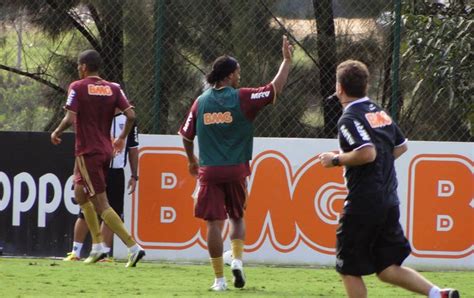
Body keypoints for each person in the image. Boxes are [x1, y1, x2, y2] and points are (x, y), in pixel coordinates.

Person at [319, 60, 459, 298]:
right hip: (388, 200)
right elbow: (401, 146)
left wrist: (335, 160)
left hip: (363, 202)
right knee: (387, 268)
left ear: (340, 88)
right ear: (366, 85)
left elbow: (367, 152)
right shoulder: (377, 112)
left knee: (348, 268)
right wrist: (370, 163)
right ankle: (439, 294)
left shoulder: (349, 118)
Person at [178, 35, 293, 291]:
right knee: (237, 217)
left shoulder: (201, 102)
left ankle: (219, 280)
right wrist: (286, 61)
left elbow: (185, 135)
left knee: (212, 225)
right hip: (237, 169)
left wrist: (191, 160)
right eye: (238, 72)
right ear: (229, 76)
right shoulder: (242, 97)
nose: (240, 76)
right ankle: (238, 261)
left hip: (209, 172)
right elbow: (275, 88)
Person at [51, 49, 145, 268]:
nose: (78, 70)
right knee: (80, 193)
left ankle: (133, 247)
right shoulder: (114, 88)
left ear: (83, 67)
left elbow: (70, 116)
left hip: (88, 150)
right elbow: (131, 115)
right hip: (105, 150)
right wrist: (121, 138)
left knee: (102, 204)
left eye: (78, 66)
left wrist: (56, 132)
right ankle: (97, 246)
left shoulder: (78, 86)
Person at [63, 111, 139, 262]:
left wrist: (134, 175)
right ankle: (75, 252)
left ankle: (102, 252)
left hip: (116, 172)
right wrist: (77, 171)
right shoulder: (96, 114)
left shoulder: (129, 120)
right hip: (95, 169)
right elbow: (82, 147)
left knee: (113, 213)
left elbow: (133, 147)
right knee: (85, 210)